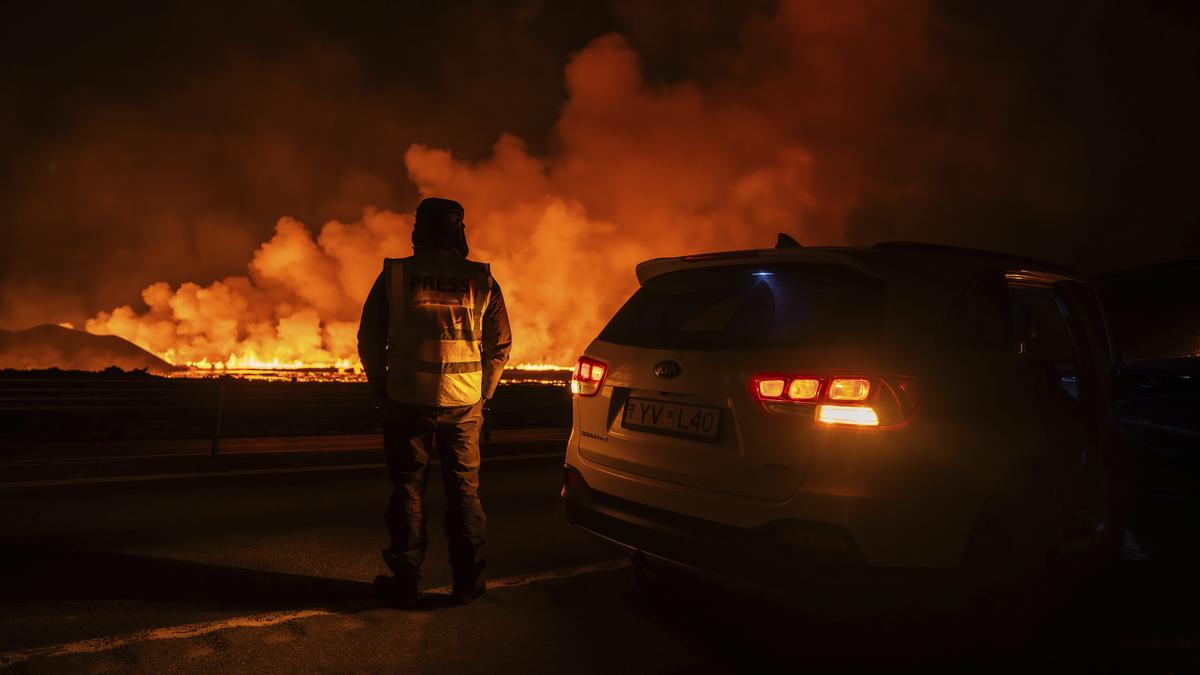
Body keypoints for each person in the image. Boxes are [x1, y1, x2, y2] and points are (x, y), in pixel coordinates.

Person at [357, 197, 512, 607]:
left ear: (418, 231)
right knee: (464, 493)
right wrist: (484, 393)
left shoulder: (395, 274)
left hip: (406, 400)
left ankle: (405, 580)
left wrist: (380, 388)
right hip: (464, 404)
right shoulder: (481, 279)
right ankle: (468, 582)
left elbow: (368, 338)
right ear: (459, 231)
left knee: (408, 489)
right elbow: (501, 345)